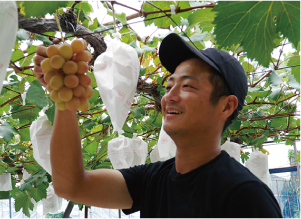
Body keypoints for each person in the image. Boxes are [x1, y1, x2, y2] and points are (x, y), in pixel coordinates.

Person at [34, 33, 282, 218]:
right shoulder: (152, 179)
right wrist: (63, 95)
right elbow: (72, 185)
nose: (169, 96)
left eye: (187, 86)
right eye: (169, 85)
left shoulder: (245, 195)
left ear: (226, 107)